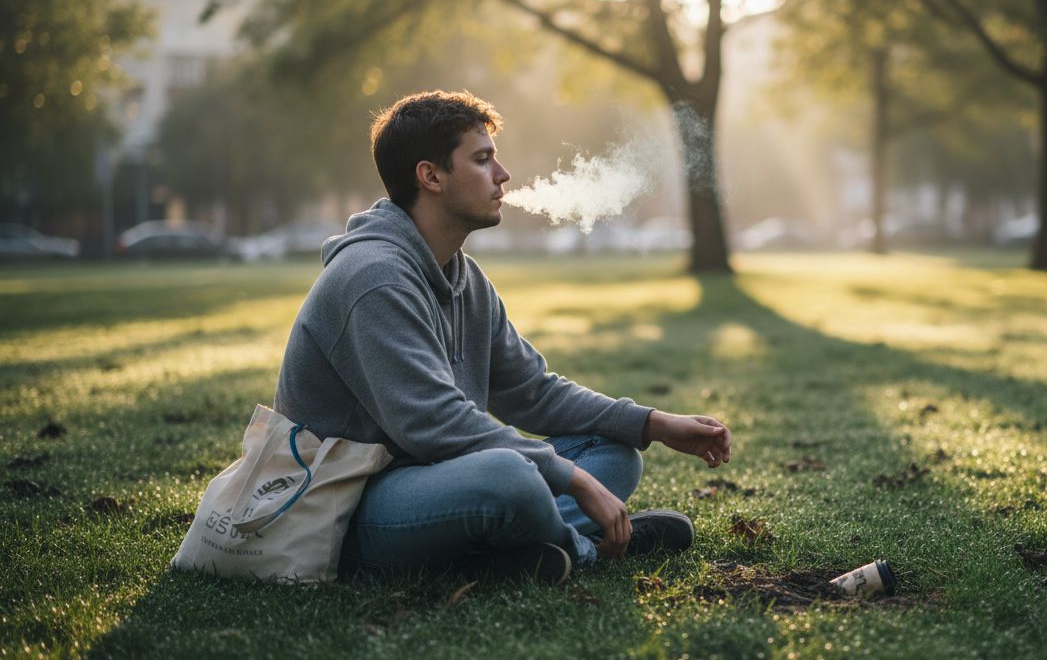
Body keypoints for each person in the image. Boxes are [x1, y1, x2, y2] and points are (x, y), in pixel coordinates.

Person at [273, 89, 732, 583]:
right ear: (430, 176)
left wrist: (650, 423)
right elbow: (434, 423)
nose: (503, 175)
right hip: (350, 509)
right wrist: (573, 481)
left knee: (613, 452)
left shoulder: (462, 276)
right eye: (483, 159)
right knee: (509, 476)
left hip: (440, 481)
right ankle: (583, 547)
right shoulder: (374, 278)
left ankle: (512, 554)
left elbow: (532, 391)